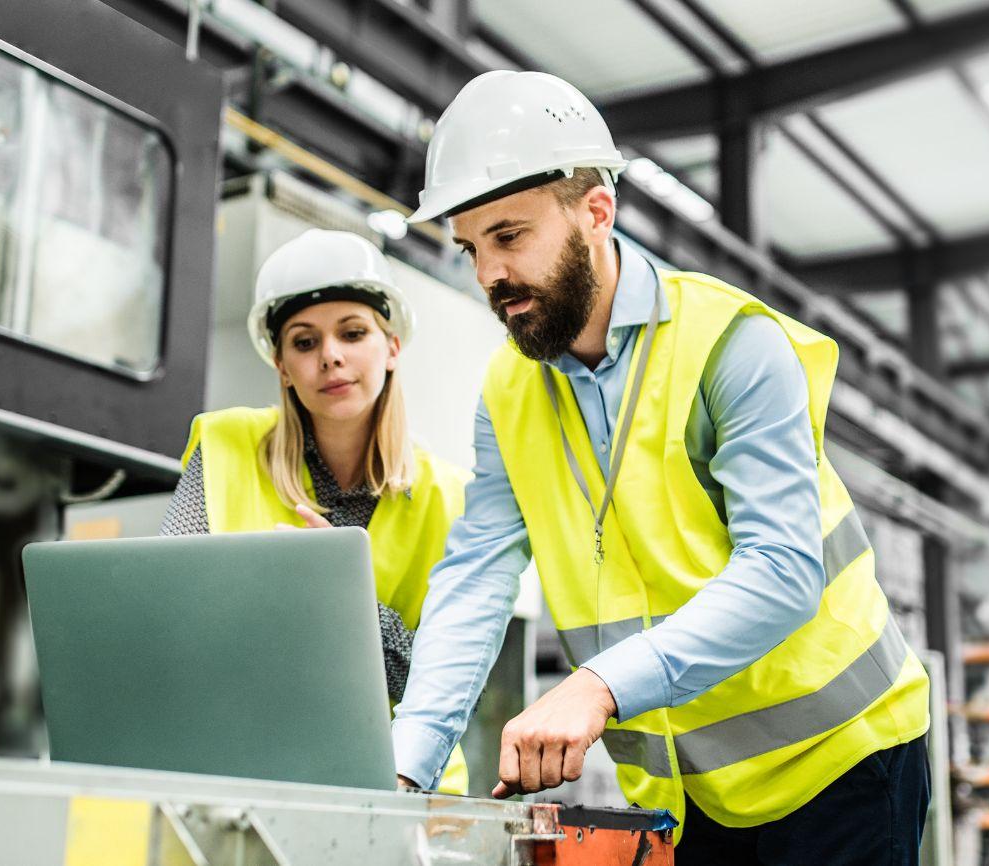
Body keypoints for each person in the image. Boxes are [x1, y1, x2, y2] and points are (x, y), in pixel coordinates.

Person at [392, 71, 931, 864]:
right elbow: (476, 576)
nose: (488, 276)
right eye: (472, 248)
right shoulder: (508, 393)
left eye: (509, 237)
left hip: (845, 763)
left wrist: (597, 687)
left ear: (596, 213)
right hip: (693, 794)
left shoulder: (732, 346)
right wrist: (408, 768)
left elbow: (783, 569)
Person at [159, 228, 469, 795]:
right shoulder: (225, 446)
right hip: (247, 766)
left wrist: (338, 593)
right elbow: (170, 612)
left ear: (391, 346)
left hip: (403, 782)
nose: (331, 356)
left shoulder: (450, 496)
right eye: (304, 342)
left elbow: (441, 679)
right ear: (281, 365)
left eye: (353, 333)